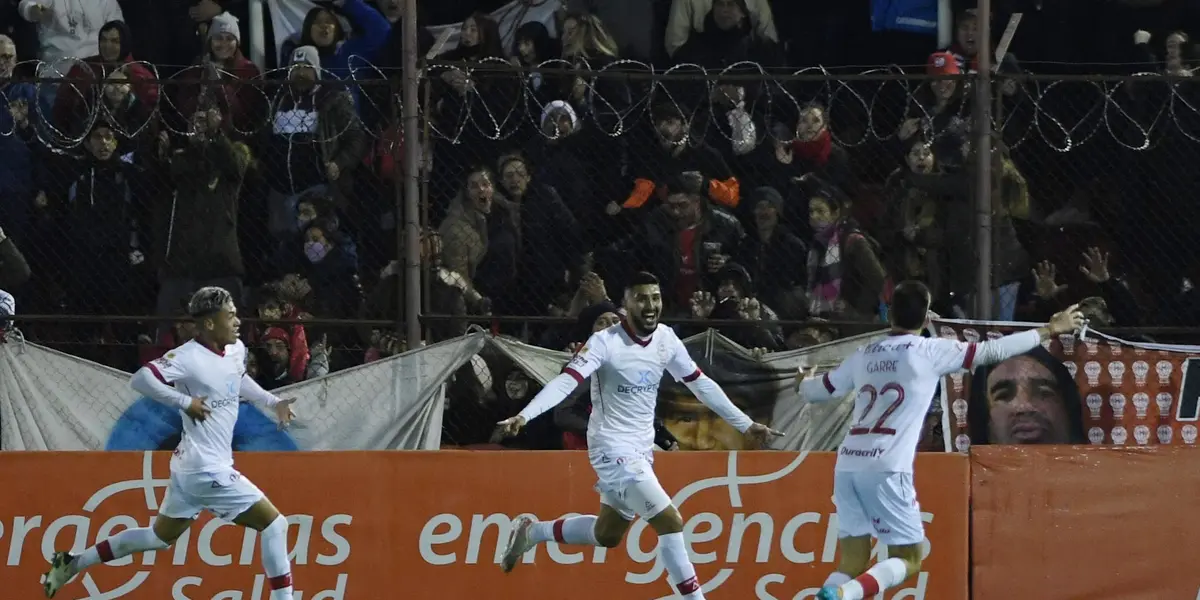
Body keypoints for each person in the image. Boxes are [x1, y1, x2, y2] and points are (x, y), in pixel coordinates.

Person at [492, 271, 781, 599]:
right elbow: (567, 382)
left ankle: (532, 532)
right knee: (670, 521)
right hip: (610, 448)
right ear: (626, 304)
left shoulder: (666, 339)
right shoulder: (605, 342)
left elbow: (700, 384)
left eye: (655, 298)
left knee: (607, 534)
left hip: (641, 449)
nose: (650, 305)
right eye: (641, 298)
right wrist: (524, 414)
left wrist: (745, 424)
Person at [797, 280, 1084, 600]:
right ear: (927, 317)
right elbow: (993, 351)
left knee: (852, 560)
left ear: (889, 314)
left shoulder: (864, 354)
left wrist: (803, 381)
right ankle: (844, 595)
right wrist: (1048, 329)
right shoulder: (928, 351)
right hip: (887, 467)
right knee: (908, 558)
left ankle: (832, 594)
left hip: (848, 465)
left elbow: (819, 390)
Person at [41, 287, 299, 600]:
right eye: (229, 315)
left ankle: (72, 563)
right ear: (208, 324)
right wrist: (184, 401)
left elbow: (238, 377)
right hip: (206, 469)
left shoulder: (236, 349)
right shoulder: (188, 357)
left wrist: (274, 402)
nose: (237, 321)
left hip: (190, 466)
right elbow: (141, 379)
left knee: (157, 537)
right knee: (275, 525)